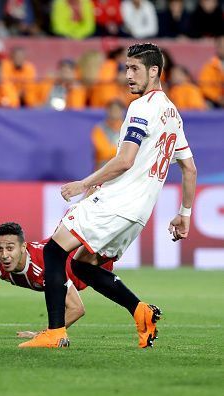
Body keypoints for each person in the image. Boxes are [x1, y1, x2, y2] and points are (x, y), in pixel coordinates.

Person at [20, 43, 197, 349]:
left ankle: (54, 333)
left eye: (135, 69)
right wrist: (185, 213)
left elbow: (125, 160)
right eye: (126, 68)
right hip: (138, 213)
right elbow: (190, 169)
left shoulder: (142, 108)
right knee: (82, 265)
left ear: (154, 71)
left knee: (53, 252)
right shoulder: (172, 113)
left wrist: (83, 183)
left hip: (117, 202)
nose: (128, 75)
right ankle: (142, 313)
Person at [0, 222, 115, 338]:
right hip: (60, 248)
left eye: (10, 248)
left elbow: (76, 309)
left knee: (95, 218)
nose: (4, 255)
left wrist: (41, 335)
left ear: (23, 247)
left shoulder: (45, 264)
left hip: (89, 262)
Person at [91, 99, 126, 170]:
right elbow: (103, 152)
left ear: (122, 111)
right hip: (103, 170)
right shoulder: (99, 128)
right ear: (107, 111)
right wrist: (124, 152)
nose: (115, 112)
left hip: (124, 169)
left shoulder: (127, 128)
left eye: (117, 110)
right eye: (112, 109)